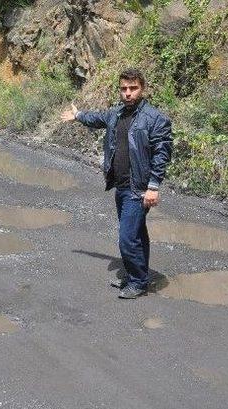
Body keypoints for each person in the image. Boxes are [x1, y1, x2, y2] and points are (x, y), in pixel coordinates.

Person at [60, 68, 173, 299]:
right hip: (120, 186)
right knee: (138, 234)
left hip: (138, 187)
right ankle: (136, 277)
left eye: (133, 88)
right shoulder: (117, 113)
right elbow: (98, 118)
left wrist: (153, 186)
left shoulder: (154, 118)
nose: (128, 93)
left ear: (143, 88)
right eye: (124, 89)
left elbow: (162, 153)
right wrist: (79, 115)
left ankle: (138, 283)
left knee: (127, 238)